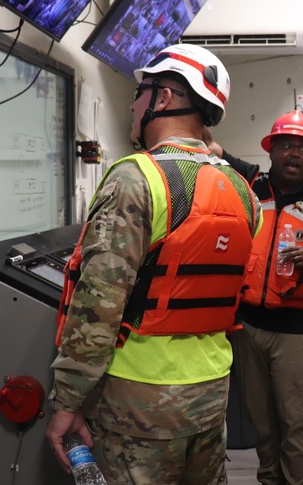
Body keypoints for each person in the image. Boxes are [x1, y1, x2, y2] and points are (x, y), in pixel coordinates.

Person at [46, 45, 261, 485]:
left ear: (163, 98)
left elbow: (98, 310)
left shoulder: (136, 178)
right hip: (210, 394)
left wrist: (67, 402)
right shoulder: (243, 191)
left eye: (139, 92)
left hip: (136, 401)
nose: (131, 104)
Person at [206, 110, 303, 485]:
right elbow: (212, 147)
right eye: (287, 145)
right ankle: (269, 480)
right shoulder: (251, 183)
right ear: (270, 150)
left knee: (298, 423)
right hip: (249, 327)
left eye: (302, 148)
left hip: (297, 335)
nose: (294, 154)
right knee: (263, 423)